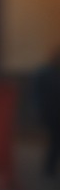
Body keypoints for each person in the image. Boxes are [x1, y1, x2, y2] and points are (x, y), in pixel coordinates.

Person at [33, 47, 60, 179]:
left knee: (55, 140)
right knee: (55, 139)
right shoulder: (45, 73)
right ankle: (49, 167)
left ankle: (49, 166)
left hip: (51, 110)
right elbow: (36, 94)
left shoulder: (46, 73)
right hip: (52, 111)